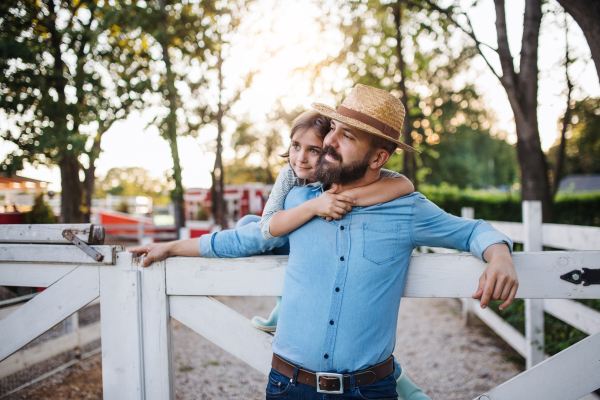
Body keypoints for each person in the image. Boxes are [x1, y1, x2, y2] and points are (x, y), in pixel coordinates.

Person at [131, 84, 518, 400]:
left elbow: (470, 231)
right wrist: (171, 247)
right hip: (288, 386)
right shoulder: (300, 201)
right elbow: (245, 239)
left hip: (369, 391)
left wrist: (499, 254)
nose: (329, 141)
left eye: (346, 136)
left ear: (378, 157)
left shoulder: (407, 210)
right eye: (332, 128)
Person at [251, 109, 414, 333]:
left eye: (314, 150)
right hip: (292, 244)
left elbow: (405, 185)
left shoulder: (340, 172)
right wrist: (314, 206)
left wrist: (344, 199)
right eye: (296, 146)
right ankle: (282, 305)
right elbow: (267, 228)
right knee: (247, 223)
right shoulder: (289, 173)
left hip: (325, 251)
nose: (301, 158)